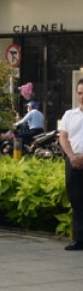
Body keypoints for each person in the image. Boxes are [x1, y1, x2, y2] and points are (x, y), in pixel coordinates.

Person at [59, 80, 83, 251]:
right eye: (79, 92)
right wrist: (72, 156)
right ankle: (78, 239)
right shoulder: (69, 114)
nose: (81, 96)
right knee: (76, 200)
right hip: (72, 162)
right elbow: (63, 137)